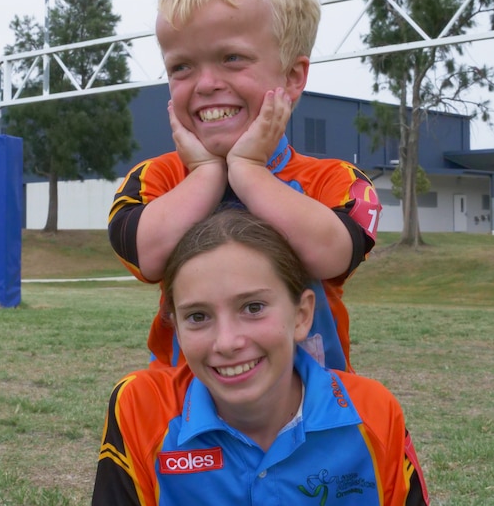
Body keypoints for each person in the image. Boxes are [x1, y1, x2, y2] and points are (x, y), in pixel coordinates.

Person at [108, 0, 381, 372]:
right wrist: (206, 173)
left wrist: (249, 169)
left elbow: (332, 254)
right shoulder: (154, 179)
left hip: (315, 418)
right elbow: (147, 254)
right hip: (183, 417)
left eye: (232, 58)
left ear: (292, 77)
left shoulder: (335, 180)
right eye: (181, 66)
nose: (205, 84)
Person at [92, 208, 429, 505]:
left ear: (301, 315)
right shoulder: (141, 408)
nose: (226, 342)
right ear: (176, 327)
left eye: (253, 308)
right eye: (198, 316)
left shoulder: (374, 412)